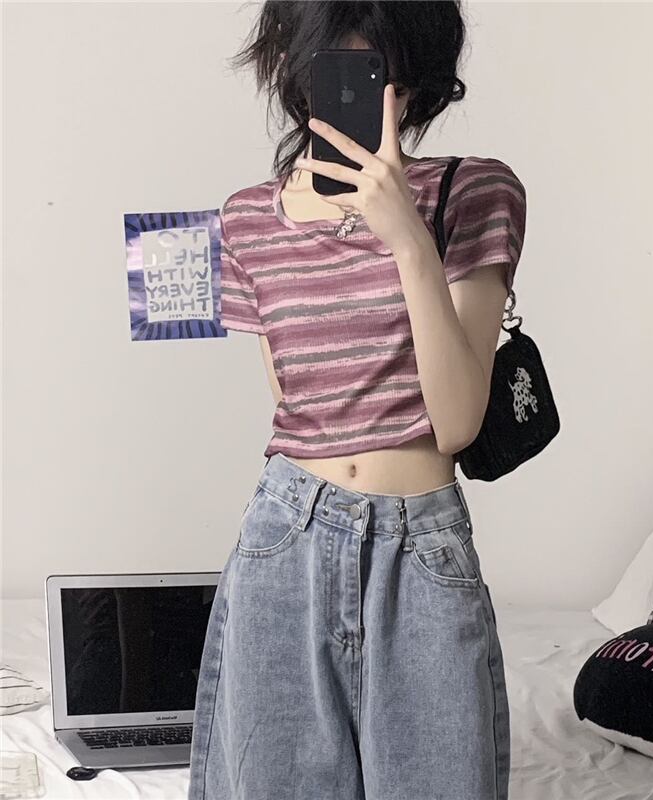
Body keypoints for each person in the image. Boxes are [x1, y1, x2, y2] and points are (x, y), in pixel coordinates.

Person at [188, 3, 526, 798]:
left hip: (421, 545)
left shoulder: (474, 191)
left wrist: (406, 237)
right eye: (338, 67)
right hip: (285, 536)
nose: (371, 95)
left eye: (384, 71)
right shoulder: (247, 219)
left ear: (416, 77)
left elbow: (457, 422)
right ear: (294, 67)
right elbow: (295, 403)